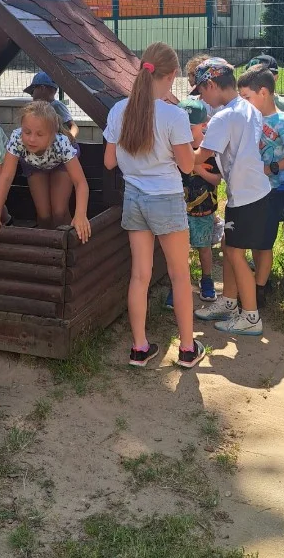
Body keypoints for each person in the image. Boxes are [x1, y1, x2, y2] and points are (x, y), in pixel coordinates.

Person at [103, 43, 202, 369]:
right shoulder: (175, 115)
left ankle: (139, 348)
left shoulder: (119, 110)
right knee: (179, 275)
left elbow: (109, 161)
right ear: (172, 75)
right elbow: (187, 166)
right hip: (166, 200)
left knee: (139, 276)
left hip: (134, 198)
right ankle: (187, 349)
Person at [191, 59, 271, 337]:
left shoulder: (223, 117)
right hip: (253, 192)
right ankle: (229, 302)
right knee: (229, 245)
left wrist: (171, 151)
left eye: (201, 91)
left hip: (246, 196)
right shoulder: (247, 108)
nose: (202, 98)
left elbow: (200, 156)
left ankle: (250, 316)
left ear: (212, 84)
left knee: (235, 254)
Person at [236, 65, 284, 308]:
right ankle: (260, 280)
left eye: (246, 97)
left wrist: (271, 167)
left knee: (264, 242)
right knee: (255, 241)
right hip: (253, 189)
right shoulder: (250, 117)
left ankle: (259, 290)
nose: (243, 102)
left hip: (274, 191)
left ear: (263, 92)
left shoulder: (282, 122)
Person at [0, 101, 91, 238]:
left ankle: (70, 239)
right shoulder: (17, 139)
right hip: (34, 165)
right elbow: (6, 177)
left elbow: (80, 183)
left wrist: (80, 215)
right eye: (27, 132)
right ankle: (45, 244)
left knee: (59, 212)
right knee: (44, 215)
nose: (32, 139)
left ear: (52, 134)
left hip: (60, 164)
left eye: (39, 134)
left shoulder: (61, 143)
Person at [165, 97, 220, 308]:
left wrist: (195, 167)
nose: (186, 131)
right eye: (183, 127)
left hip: (203, 210)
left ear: (204, 124)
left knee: (204, 247)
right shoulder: (174, 148)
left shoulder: (209, 150)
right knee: (179, 252)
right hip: (177, 208)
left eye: (191, 127)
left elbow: (217, 180)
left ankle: (207, 280)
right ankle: (177, 286)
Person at [244, 53, 284, 133]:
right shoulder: (243, 104)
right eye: (250, 77)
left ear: (275, 78)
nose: (255, 81)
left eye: (262, 77)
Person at [24, 71, 79, 140]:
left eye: (33, 91)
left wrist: (69, 140)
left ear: (42, 88)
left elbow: (73, 126)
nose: (32, 95)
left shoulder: (56, 105)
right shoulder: (35, 108)